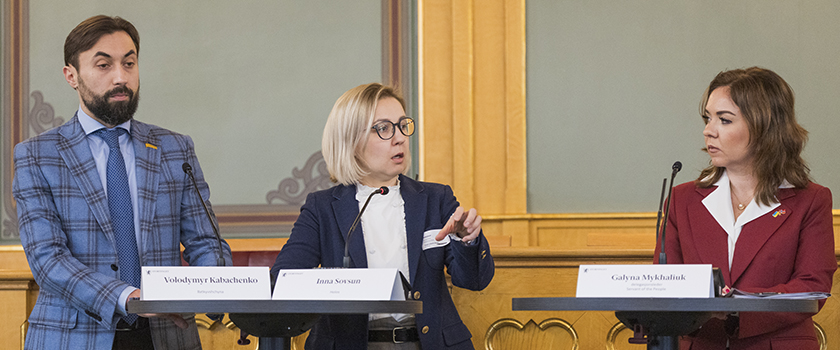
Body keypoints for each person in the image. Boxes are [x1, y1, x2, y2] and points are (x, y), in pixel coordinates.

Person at [13, 15, 231, 350]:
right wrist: (130, 298)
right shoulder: (37, 155)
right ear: (71, 76)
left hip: (167, 335)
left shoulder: (175, 148)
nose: (121, 77)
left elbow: (206, 244)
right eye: (104, 65)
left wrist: (212, 287)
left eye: (129, 63)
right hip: (72, 336)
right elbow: (48, 260)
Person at [271, 83, 494, 349]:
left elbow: (475, 281)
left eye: (402, 125)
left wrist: (466, 241)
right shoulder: (322, 208)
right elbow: (282, 279)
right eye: (384, 128)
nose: (399, 138)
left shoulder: (436, 198)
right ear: (351, 141)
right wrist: (335, 284)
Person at [654, 67, 836, 350]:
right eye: (708, 118)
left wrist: (736, 306)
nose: (708, 131)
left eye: (724, 120)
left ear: (764, 128)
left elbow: (812, 286)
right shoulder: (682, 199)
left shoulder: (810, 200)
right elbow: (667, 283)